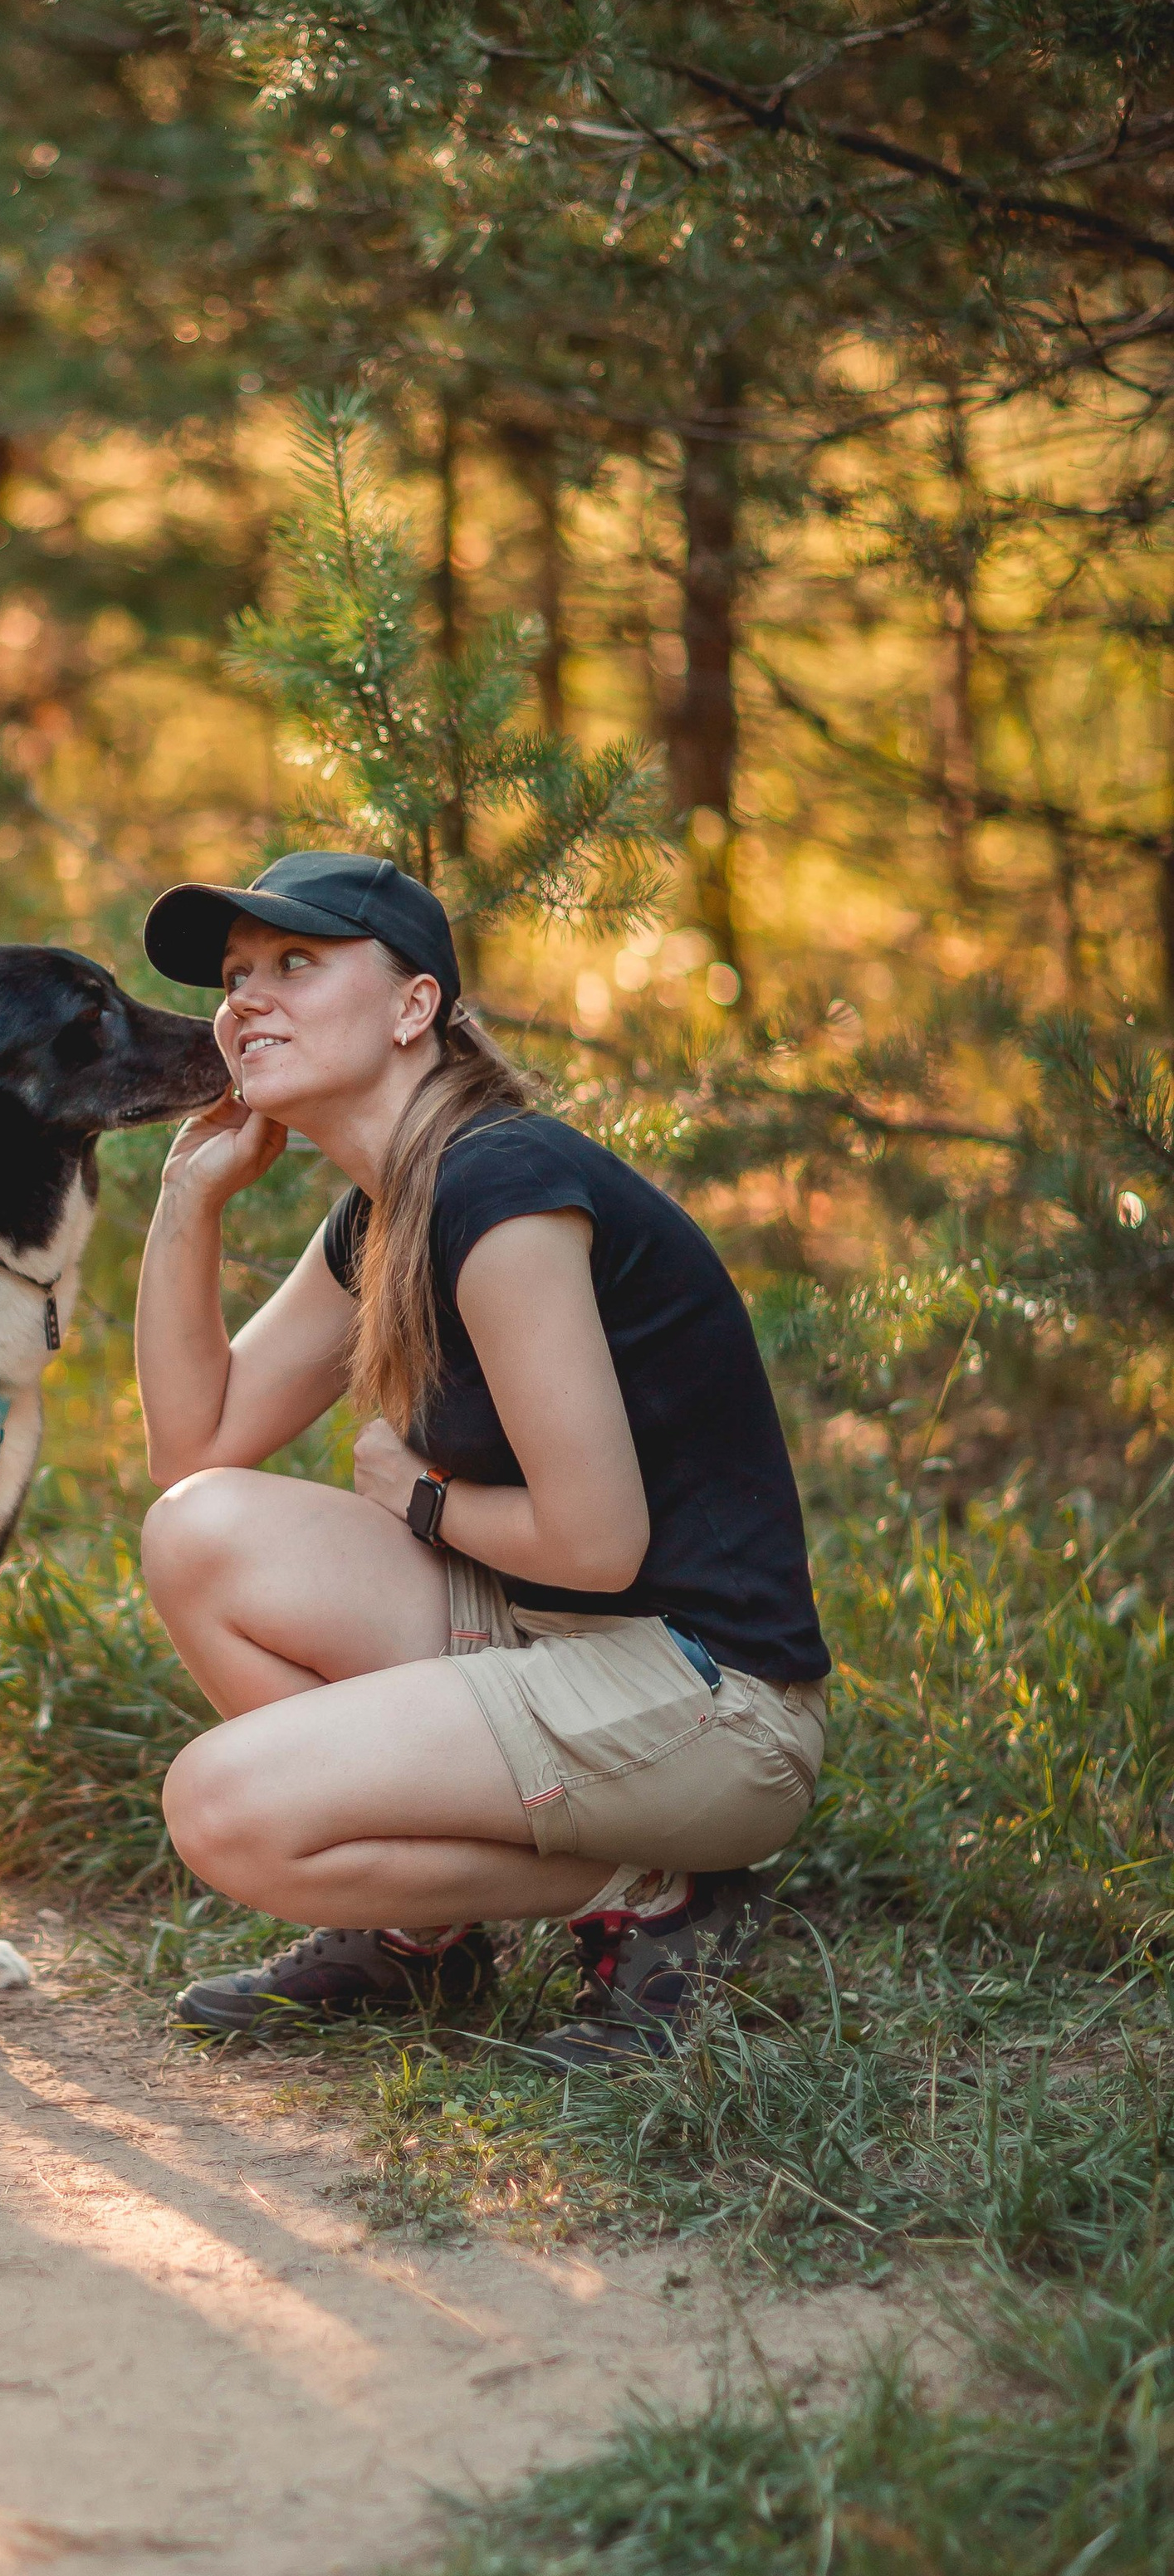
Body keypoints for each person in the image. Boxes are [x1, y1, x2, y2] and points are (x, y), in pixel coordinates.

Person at [134, 850, 830, 2068]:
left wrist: (421, 1498)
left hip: (710, 1705)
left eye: (296, 963)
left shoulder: (502, 1189)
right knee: (197, 1529)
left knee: (222, 1810)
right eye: (237, 976)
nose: (246, 1001)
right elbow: (194, 1446)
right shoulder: (388, 1206)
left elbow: (597, 1544)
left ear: (415, 1007)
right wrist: (189, 1199)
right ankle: (424, 1933)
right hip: (555, 1641)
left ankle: (660, 1895)